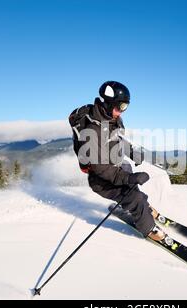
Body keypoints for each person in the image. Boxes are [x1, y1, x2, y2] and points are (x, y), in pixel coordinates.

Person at [68, 81, 165, 241]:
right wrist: (129, 178)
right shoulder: (91, 131)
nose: (121, 112)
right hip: (101, 179)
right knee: (134, 196)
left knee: (130, 180)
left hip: (115, 167)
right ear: (107, 104)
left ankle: (141, 207)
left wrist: (133, 152)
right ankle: (148, 228)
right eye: (120, 107)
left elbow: (117, 140)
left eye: (125, 107)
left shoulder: (112, 120)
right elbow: (101, 169)